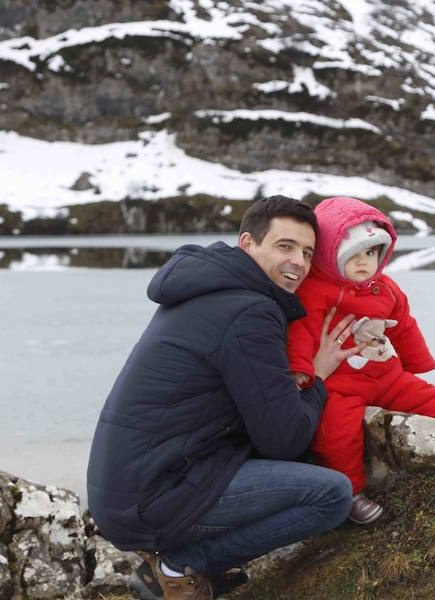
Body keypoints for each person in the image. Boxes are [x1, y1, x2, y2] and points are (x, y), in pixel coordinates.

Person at [87, 196, 367, 600]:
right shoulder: (251, 310)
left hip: (129, 489)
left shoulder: (206, 287)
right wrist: (318, 378)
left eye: (307, 252)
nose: (299, 263)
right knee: (331, 494)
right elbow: (284, 439)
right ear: (247, 244)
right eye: (285, 246)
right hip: (153, 497)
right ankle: (178, 567)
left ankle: (190, 568)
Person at [286, 196, 435, 524]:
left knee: (427, 396)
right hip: (341, 385)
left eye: (372, 253)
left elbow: (404, 325)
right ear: (328, 255)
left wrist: (416, 362)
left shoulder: (386, 288)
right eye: (353, 255)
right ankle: (350, 493)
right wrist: (301, 372)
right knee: (337, 434)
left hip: (387, 376)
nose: (364, 263)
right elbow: (300, 332)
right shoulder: (314, 291)